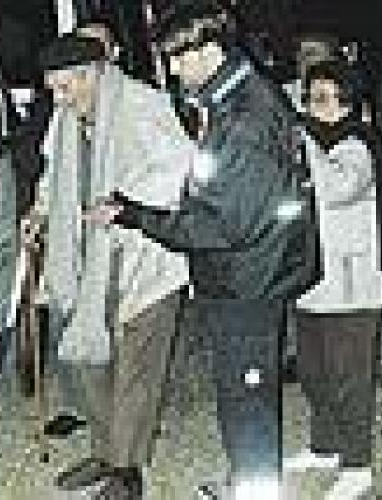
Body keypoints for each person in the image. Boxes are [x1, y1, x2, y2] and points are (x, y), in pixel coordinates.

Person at [85, 3, 320, 498]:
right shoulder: (230, 102)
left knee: (248, 396)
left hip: (248, 281)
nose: (173, 70)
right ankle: (246, 482)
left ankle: (255, 491)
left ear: (209, 48)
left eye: (178, 58)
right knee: (240, 392)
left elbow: (221, 225)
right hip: (244, 273)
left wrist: (135, 216)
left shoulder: (246, 118)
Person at [25, 29, 194, 498]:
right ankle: (104, 452)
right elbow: (53, 171)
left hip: (142, 257)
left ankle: (127, 471)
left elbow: (179, 165)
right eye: (53, 89)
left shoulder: (142, 104)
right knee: (90, 361)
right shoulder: (66, 115)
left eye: (65, 87)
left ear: (91, 75)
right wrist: (40, 210)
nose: (59, 99)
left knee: (136, 370)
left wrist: (125, 202)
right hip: (86, 259)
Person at [286, 60, 382, 500]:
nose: (318, 107)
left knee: (350, 376)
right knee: (314, 372)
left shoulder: (359, 143)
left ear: (349, 101)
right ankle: (325, 446)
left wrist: (301, 138)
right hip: (313, 280)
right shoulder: (314, 143)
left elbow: (336, 188)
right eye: (312, 98)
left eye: (328, 98)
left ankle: (357, 464)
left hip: (354, 285)